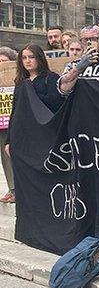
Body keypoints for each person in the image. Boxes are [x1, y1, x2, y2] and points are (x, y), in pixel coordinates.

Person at [5, 44, 64, 204]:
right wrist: (8, 140)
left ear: (39, 58)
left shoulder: (50, 78)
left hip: (42, 132)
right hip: (22, 133)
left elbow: (57, 103)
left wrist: (32, 95)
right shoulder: (20, 82)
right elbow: (14, 110)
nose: (28, 61)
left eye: (31, 57)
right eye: (24, 58)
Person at [0, 47, 18, 203]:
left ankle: (17, 189)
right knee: (5, 158)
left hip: (14, 122)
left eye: (4, 61)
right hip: (1, 124)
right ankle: (12, 188)